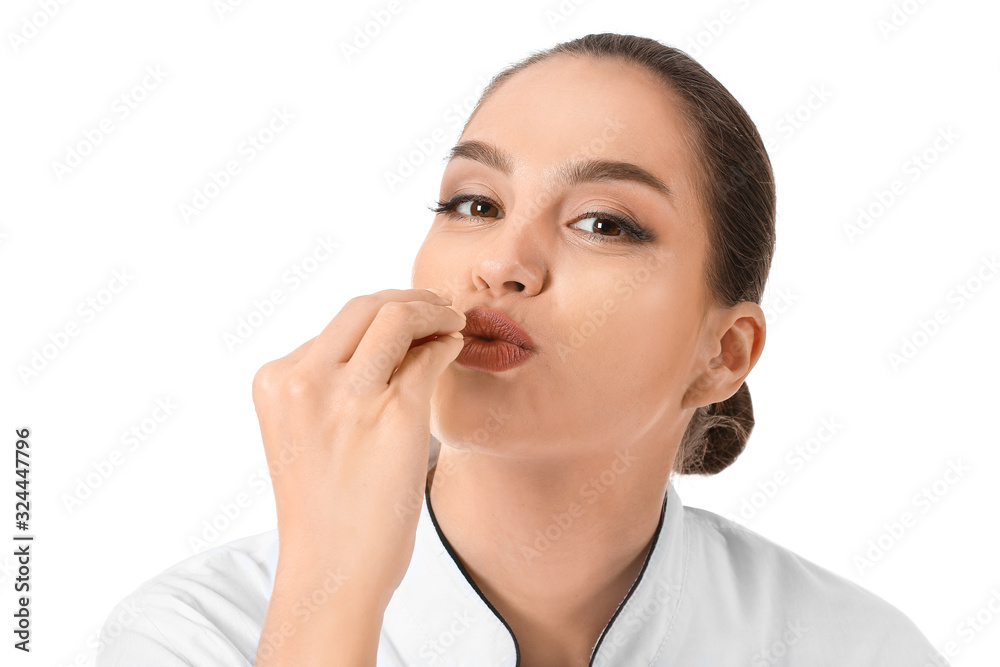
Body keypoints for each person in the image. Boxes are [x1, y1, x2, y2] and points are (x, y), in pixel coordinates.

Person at [96, 32, 946, 666]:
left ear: (722, 353)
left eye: (602, 223)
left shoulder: (854, 648)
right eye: (472, 204)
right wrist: (332, 589)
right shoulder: (196, 633)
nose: (500, 263)